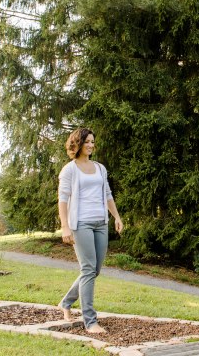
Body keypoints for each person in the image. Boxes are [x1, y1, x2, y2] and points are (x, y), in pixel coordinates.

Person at [57, 127, 124, 333]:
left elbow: (107, 194)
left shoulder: (100, 168)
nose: (91, 145)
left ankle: (66, 303)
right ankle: (90, 321)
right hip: (81, 224)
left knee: (94, 270)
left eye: (93, 142)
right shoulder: (70, 169)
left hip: (100, 223)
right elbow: (63, 199)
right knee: (87, 269)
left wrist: (116, 217)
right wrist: (65, 226)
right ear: (77, 143)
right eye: (87, 141)